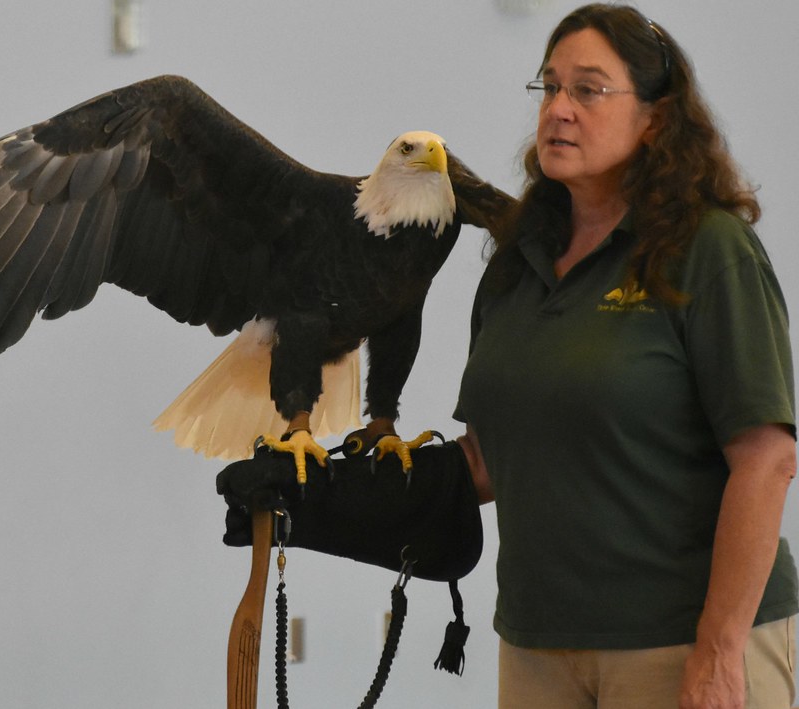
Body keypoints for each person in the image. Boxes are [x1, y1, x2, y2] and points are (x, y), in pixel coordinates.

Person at [218, 4, 797, 708]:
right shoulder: (518, 262)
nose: (558, 109)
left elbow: (767, 459)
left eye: (589, 89)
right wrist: (319, 502)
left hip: (678, 647)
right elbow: (489, 463)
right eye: (548, 86)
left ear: (656, 118)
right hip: (537, 649)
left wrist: (721, 647)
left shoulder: (707, 250)